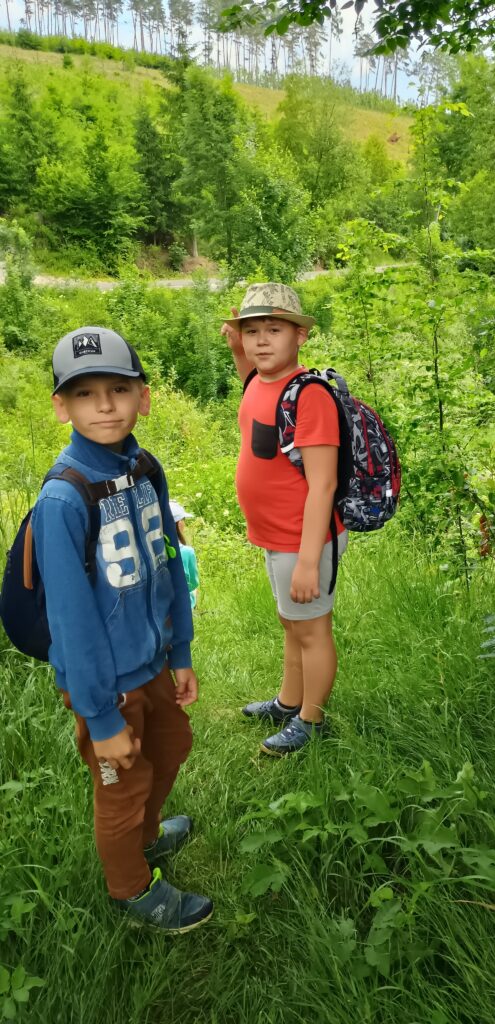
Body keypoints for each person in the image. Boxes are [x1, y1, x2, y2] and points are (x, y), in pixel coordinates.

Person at [33, 326, 213, 933]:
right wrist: (101, 717)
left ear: (144, 396)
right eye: (85, 394)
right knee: (120, 784)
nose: (105, 406)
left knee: (170, 748)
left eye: (118, 388)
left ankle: (146, 833)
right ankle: (131, 889)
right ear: (62, 406)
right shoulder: (63, 499)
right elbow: (71, 620)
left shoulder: (144, 468)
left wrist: (180, 649)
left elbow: (168, 564)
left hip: (154, 660)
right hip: (106, 684)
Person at [220, 283, 348, 757]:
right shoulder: (259, 381)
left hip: (304, 538)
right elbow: (252, 384)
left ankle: (311, 720)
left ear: (300, 336)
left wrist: (309, 562)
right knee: (291, 624)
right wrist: (237, 350)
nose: (261, 340)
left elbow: (323, 485)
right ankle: (289, 701)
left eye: (274, 330)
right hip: (276, 537)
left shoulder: (309, 396)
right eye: (251, 331)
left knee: (312, 631)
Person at [169, 500, 200, 609]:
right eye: (184, 519)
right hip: (182, 605)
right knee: (194, 591)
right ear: (179, 524)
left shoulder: (154, 551)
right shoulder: (187, 552)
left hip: (161, 606)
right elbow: (193, 583)